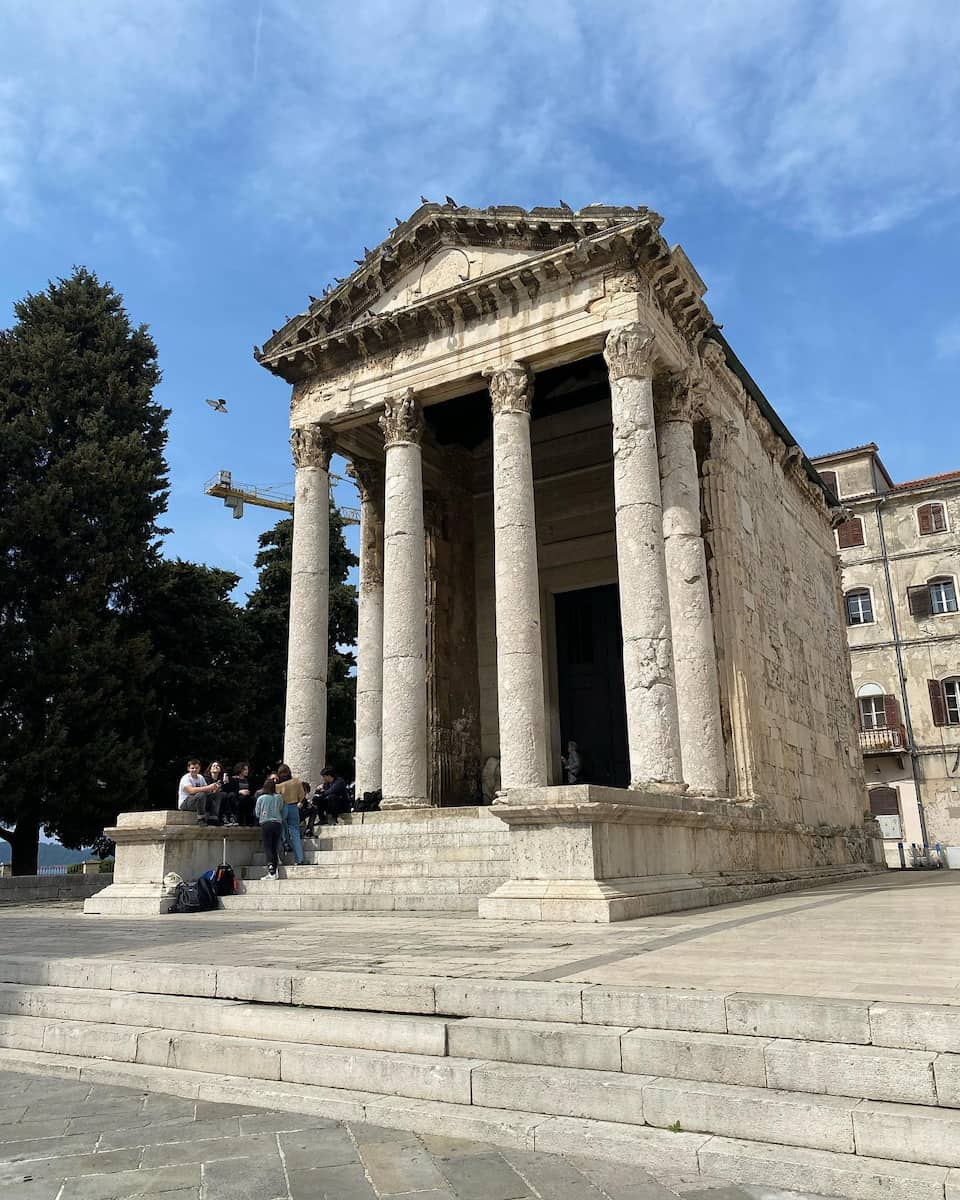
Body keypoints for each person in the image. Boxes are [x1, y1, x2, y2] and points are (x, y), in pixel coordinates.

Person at [275, 764, 305, 866]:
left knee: (282, 829)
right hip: (293, 806)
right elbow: (302, 795)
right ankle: (299, 859)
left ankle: (286, 843)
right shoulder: (296, 782)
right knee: (295, 832)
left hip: (282, 807)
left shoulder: (278, 786)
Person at [254, 777, 284, 877]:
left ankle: (270, 865)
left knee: (267, 846)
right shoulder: (279, 797)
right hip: (277, 823)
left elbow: (257, 813)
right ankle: (275, 869)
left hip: (266, 823)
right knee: (275, 846)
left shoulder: (261, 798)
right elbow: (281, 809)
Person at [177, 758, 222, 823]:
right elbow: (191, 791)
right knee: (201, 794)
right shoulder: (186, 778)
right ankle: (201, 818)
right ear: (188, 769)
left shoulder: (200, 777)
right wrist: (209, 787)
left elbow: (208, 791)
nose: (194, 770)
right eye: (192, 768)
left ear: (199, 768)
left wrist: (215, 788)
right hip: (185, 803)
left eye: (196, 768)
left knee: (217, 795)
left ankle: (213, 818)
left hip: (199, 801)